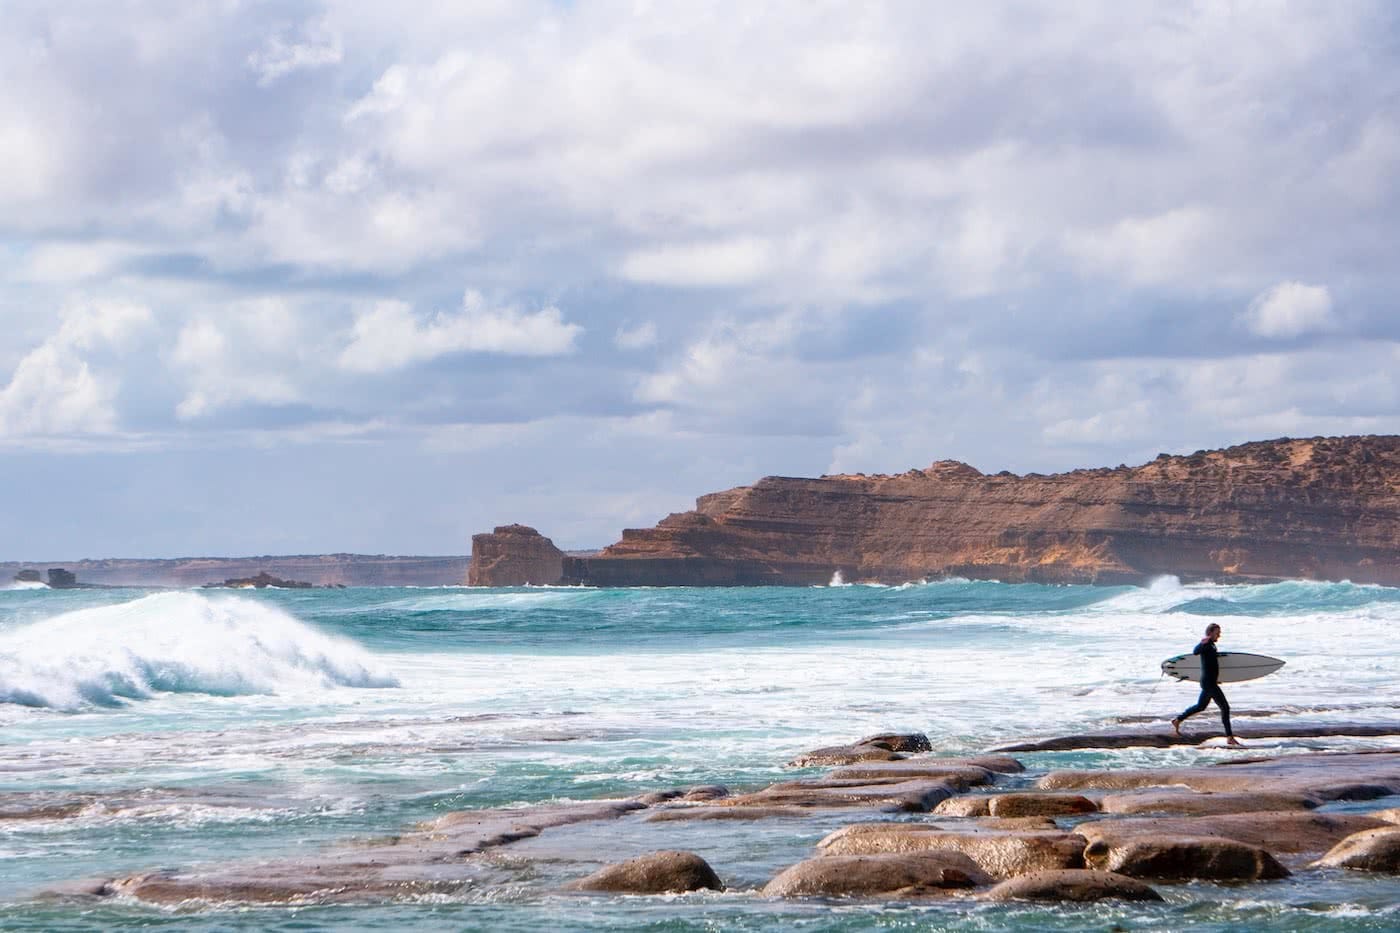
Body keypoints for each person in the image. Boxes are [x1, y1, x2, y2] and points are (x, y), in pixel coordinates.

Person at [1171, 623, 1243, 747]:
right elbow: (1195, 652)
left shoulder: (1212, 645)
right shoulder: (1206, 644)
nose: (1219, 635)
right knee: (1225, 708)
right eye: (1217, 633)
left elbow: (1212, 665)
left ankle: (1178, 720)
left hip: (1210, 681)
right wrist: (1202, 642)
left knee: (1201, 706)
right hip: (1209, 683)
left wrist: (1218, 678)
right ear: (1210, 633)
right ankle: (1230, 737)